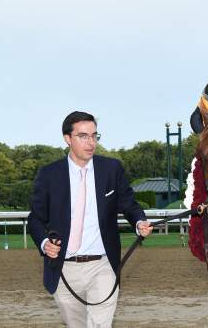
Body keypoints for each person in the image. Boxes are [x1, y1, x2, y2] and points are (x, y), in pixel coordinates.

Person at [28, 111, 153, 328]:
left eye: (94, 136)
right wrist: (45, 243)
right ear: (67, 138)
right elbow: (36, 219)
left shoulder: (111, 169)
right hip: (63, 269)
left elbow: (129, 205)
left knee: (100, 324)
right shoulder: (49, 174)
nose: (91, 142)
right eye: (83, 136)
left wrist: (139, 222)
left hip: (103, 265)